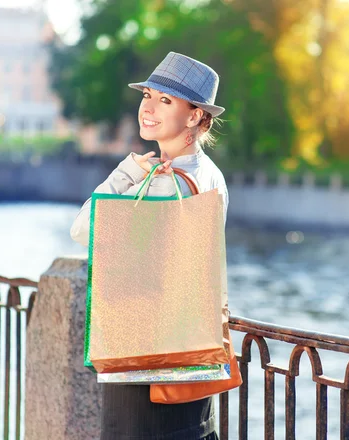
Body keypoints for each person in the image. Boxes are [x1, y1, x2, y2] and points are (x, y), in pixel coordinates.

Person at [70, 52, 228, 440]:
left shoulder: (163, 181)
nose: (149, 108)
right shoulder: (208, 175)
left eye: (165, 100)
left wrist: (124, 174)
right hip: (187, 347)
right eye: (147, 96)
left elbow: (82, 231)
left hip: (141, 349)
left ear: (194, 116)